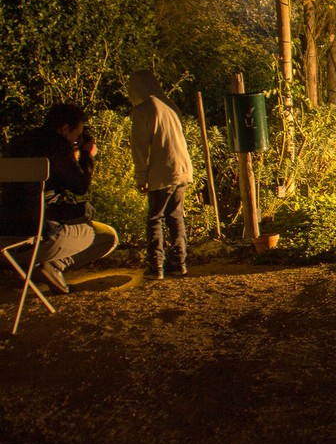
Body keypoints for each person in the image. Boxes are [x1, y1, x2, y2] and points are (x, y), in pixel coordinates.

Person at [0, 104, 118, 293]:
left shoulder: (16, 143)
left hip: (5, 238)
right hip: (39, 236)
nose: (77, 139)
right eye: (77, 134)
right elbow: (80, 186)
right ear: (65, 129)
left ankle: (36, 267)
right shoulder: (56, 145)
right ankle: (53, 264)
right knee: (106, 236)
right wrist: (86, 156)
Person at [127, 71, 194, 281]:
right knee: (175, 215)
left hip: (162, 171)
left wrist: (141, 177)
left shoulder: (143, 110)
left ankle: (156, 265)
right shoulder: (169, 105)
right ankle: (179, 262)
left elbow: (139, 148)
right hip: (182, 168)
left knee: (155, 218)